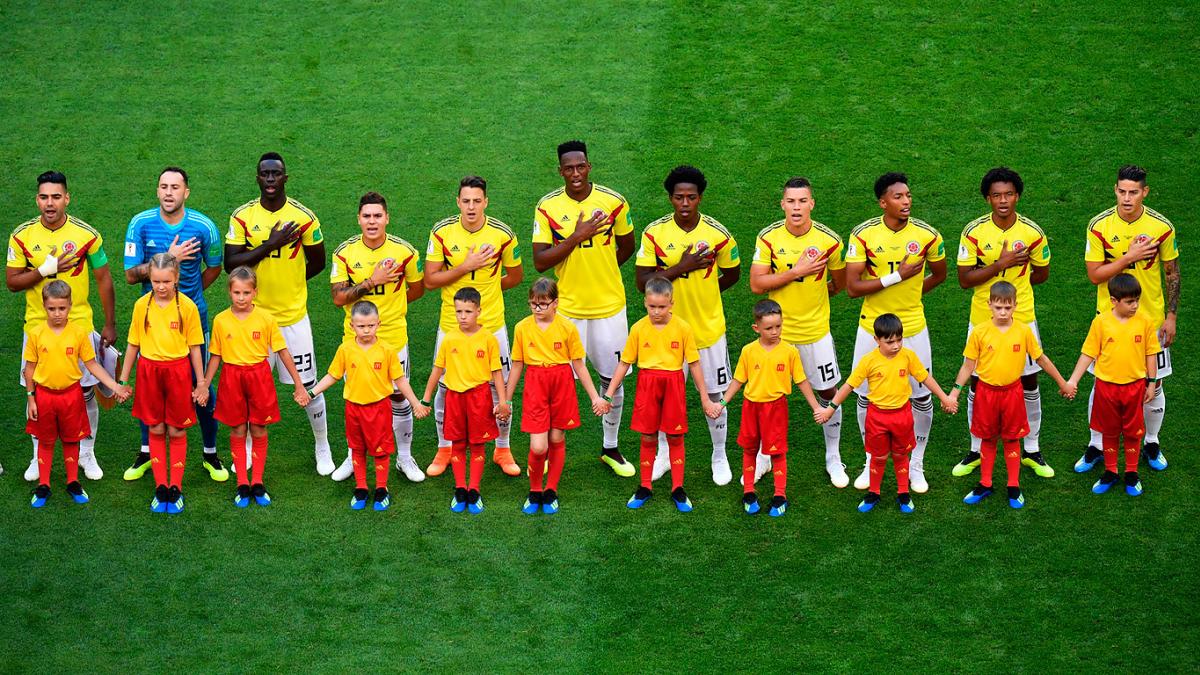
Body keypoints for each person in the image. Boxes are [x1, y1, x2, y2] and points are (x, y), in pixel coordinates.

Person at [532, 140, 637, 477]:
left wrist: (602, 270)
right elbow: (540, 260)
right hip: (568, 310)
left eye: (581, 166)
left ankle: (610, 447)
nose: (575, 173)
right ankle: (545, 447)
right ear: (560, 171)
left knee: (613, 380)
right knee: (554, 379)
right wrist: (576, 238)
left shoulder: (614, 202)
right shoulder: (547, 207)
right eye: (569, 168)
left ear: (589, 166)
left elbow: (627, 246)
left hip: (609, 308)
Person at [8, 170, 118, 482]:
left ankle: (86, 451)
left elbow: (104, 279)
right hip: (38, 328)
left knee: (85, 393)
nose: (50, 203)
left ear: (67, 198)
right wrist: (46, 269)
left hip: (79, 327)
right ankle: (37, 456)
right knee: (39, 392)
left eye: (56, 196)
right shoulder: (22, 236)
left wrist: (109, 324)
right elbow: (13, 283)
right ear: (37, 200)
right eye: (44, 197)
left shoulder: (87, 236)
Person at [224, 152, 331, 475]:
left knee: (309, 387)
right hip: (252, 321)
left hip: (293, 319)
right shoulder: (242, 217)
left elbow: (318, 262)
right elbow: (232, 264)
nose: (270, 179)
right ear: (257, 178)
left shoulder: (304, 217)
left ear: (286, 178)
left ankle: (322, 446)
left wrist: (293, 283)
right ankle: (243, 450)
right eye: (265, 174)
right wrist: (271, 245)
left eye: (276, 174)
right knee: (247, 392)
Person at [635, 165, 741, 485]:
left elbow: (733, 274)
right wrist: (683, 267)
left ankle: (718, 455)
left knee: (715, 394)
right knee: (667, 399)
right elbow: (642, 283)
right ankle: (666, 455)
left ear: (700, 198)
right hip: (666, 335)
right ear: (670, 198)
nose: (685, 203)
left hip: (708, 332)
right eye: (679, 197)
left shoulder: (719, 235)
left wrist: (705, 295)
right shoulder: (654, 233)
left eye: (691, 197)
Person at [122, 166, 227, 483]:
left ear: (186, 193)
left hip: (192, 323)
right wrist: (168, 257)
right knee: (149, 389)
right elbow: (129, 275)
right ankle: (145, 451)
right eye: (163, 186)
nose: (169, 192)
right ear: (157, 191)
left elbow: (214, 268)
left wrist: (188, 304)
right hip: (151, 323)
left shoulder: (204, 227)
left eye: (175, 187)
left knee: (202, 385)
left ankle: (210, 454)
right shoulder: (140, 224)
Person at [844, 172, 947, 493]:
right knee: (865, 396)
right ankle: (870, 460)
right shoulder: (863, 235)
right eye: (898, 197)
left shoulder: (928, 236)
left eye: (908, 195)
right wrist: (897, 278)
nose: (906, 202)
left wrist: (911, 297)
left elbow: (939, 275)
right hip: (870, 328)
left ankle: (915, 463)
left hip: (914, 329)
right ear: (882, 202)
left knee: (921, 395)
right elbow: (852, 287)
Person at [951, 167, 1055, 480]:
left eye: (1008, 194)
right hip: (982, 320)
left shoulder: (1033, 233)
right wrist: (1001, 265)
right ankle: (975, 449)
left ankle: (1032, 450)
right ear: (987, 199)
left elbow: (1042, 273)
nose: (1003, 200)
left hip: (1022, 319)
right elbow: (964, 280)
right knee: (978, 382)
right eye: (996, 195)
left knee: (1028, 381)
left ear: (1017, 196)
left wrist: (1015, 290)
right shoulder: (973, 232)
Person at [1075, 165, 1179, 474]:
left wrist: (1171, 316)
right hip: (1108, 321)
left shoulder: (1162, 227)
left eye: (1134, 192)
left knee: (1154, 384)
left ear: (1144, 192)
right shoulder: (1099, 226)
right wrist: (1128, 258)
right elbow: (1095, 275)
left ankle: (1151, 441)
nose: (1127, 198)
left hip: (1151, 320)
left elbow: (1172, 273)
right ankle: (1096, 444)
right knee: (1102, 384)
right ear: (1115, 190)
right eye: (1122, 191)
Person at [748, 177, 848, 488]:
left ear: (812, 204)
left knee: (828, 393)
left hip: (816, 334)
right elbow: (756, 285)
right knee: (768, 396)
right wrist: (796, 273)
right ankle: (765, 455)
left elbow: (839, 284)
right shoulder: (768, 238)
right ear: (782, 204)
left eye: (802, 201)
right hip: (777, 335)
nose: (796, 207)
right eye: (791, 201)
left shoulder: (830, 241)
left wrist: (813, 300)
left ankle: (833, 456)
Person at [423, 176, 523, 477]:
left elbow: (515, 276)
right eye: (465, 201)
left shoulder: (503, 235)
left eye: (476, 201)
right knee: (444, 389)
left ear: (486, 202)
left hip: (492, 326)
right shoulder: (441, 233)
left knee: (500, 388)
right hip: (450, 327)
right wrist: (466, 267)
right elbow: (430, 280)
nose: (471, 207)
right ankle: (445, 448)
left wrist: (486, 298)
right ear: (457, 202)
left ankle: (502, 448)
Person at [947, 281, 1073, 509]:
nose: (1003, 312)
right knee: (987, 438)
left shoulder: (1024, 331)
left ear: (1016, 305)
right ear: (989, 306)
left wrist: (1063, 383)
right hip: (986, 393)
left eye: (1007, 307)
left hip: (1012, 393)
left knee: (1012, 438)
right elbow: (968, 366)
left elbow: (1041, 359)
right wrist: (954, 393)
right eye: (998, 307)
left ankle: (1013, 486)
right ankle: (985, 483)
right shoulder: (979, 332)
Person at [328, 192, 426, 483]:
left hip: (393, 340)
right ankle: (352, 454)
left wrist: (392, 311)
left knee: (399, 399)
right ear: (359, 219)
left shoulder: (405, 252)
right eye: (367, 216)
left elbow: (417, 289)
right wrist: (372, 281)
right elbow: (338, 298)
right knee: (357, 401)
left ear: (387, 218)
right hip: (355, 343)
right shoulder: (344, 253)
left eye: (377, 216)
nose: (372, 221)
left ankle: (404, 457)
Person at [604, 277, 724, 512]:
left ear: (671, 304)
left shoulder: (683, 328)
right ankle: (645, 486)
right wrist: (608, 395)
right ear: (645, 303)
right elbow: (624, 363)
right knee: (648, 436)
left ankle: (678, 488)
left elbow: (696, 365)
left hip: (673, 384)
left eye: (662, 306)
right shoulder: (638, 328)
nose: (656, 311)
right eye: (652, 306)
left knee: (675, 437)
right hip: (647, 385)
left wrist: (704, 398)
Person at [817, 314, 955, 513]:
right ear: (876, 340)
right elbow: (848, 386)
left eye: (899, 339)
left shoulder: (908, 356)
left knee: (900, 455)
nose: (896, 345)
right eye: (890, 341)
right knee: (878, 457)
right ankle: (874, 492)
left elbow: (925, 378)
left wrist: (945, 397)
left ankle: (903, 494)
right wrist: (830, 409)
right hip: (877, 418)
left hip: (902, 416)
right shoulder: (868, 361)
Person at [202, 267, 311, 508]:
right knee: (238, 429)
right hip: (232, 377)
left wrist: (299, 385)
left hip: (259, 376)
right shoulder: (221, 320)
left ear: (255, 292)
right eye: (237, 292)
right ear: (229, 292)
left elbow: (283, 351)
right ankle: (242, 482)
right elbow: (216, 357)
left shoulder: (266, 319)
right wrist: (204, 385)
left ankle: (258, 482)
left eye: (246, 292)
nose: (241, 298)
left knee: (259, 429)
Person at [310, 301, 430, 511]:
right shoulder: (345, 349)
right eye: (361, 326)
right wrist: (312, 392)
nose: (366, 330)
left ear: (379, 324)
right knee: (357, 448)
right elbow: (333, 375)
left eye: (371, 325)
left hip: (379, 409)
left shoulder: (387, 350)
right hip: (354, 409)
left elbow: (400, 381)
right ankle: (361, 488)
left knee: (381, 451)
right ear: (352, 326)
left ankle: (382, 489)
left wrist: (416, 404)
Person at [503, 278, 609, 515]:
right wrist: (506, 400)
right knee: (539, 447)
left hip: (562, 383)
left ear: (556, 303)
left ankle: (550, 490)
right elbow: (518, 365)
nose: (537, 309)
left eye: (543, 304)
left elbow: (579, 365)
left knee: (556, 437)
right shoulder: (522, 327)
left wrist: (595, 398)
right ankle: (534, 490)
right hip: (536, 384)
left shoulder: (567, 328)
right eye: (533, 304)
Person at [23, 281, 130, 507]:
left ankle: (73, 481)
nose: (57, 313)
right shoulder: (35, 334)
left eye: (62, 308)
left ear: (70, 305)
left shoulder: (79, 333)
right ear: (44, 306)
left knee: (72, 440)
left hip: (72, 396)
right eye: (52, 309)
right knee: (45, 440)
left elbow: (93, 366)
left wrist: (116, 385)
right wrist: (31, 397)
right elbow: (29, 369)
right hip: (44, 396)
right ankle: (44, 485)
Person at [117, 254, 207, 515]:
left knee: (177, 430)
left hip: (178, 372)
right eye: (156, 281)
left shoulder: (187, 307)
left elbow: (195, 348)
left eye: (166, 280)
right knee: (155, 428)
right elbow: (133, 344)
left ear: (176, 278)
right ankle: (160, 487)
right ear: (150, 279)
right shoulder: (141, 305)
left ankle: (175, 487)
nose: (161, 286)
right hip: (149, 372)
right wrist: (123, 380)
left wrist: (200, 383)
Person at [717, 299, 822, 517]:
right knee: (749, 449)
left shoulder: (790, 352)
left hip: (776, 409)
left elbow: (801, 381)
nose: (775, 332)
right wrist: (722, 403)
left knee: (777, 452)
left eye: (778, 326)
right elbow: (738, 380)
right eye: (769, 328)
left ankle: (780, 495)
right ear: (757, 328)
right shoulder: (748, 351)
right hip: (751, 407)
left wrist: (816, 407)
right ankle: (748, 492)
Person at [1066, 274, 1161, 496]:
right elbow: (1088, 353)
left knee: (1133, 433)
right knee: (1109, 432)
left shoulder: (1145, 321)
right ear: (1113, 301)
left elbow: (1151, 355)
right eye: (1130, 301)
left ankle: (1131, 473)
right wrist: (1073, 380)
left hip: (1134, 386)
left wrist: (1151, 382)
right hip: (1106, 387)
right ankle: (1110, 471)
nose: (1135, 305)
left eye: (1137, 300)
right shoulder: (1100, 323)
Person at [420, 287, 510, 515]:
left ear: (479, 311)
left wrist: (503, 401)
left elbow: (497, 372)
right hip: (455, 398)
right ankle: (460, 488)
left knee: (478, 444)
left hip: (479, 397)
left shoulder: (489, 339)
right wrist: (426, 399)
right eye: (458, 311)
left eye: (468, 311)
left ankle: (474, 489)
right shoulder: (449, 339)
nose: (462, 316)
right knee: (458, 444)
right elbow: (437, 370)